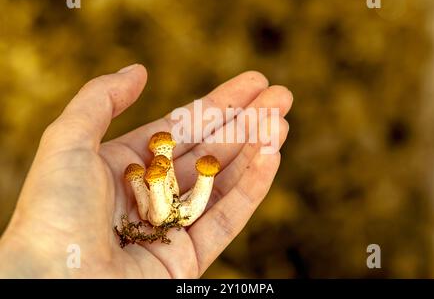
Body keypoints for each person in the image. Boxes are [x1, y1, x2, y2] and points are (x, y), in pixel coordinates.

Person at [0, 64, 293, 278]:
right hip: (158, 221)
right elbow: (156, 210)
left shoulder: (168, 186)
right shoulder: (155, 187)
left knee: (175, 202)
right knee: (165, 204)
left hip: (169, 215)